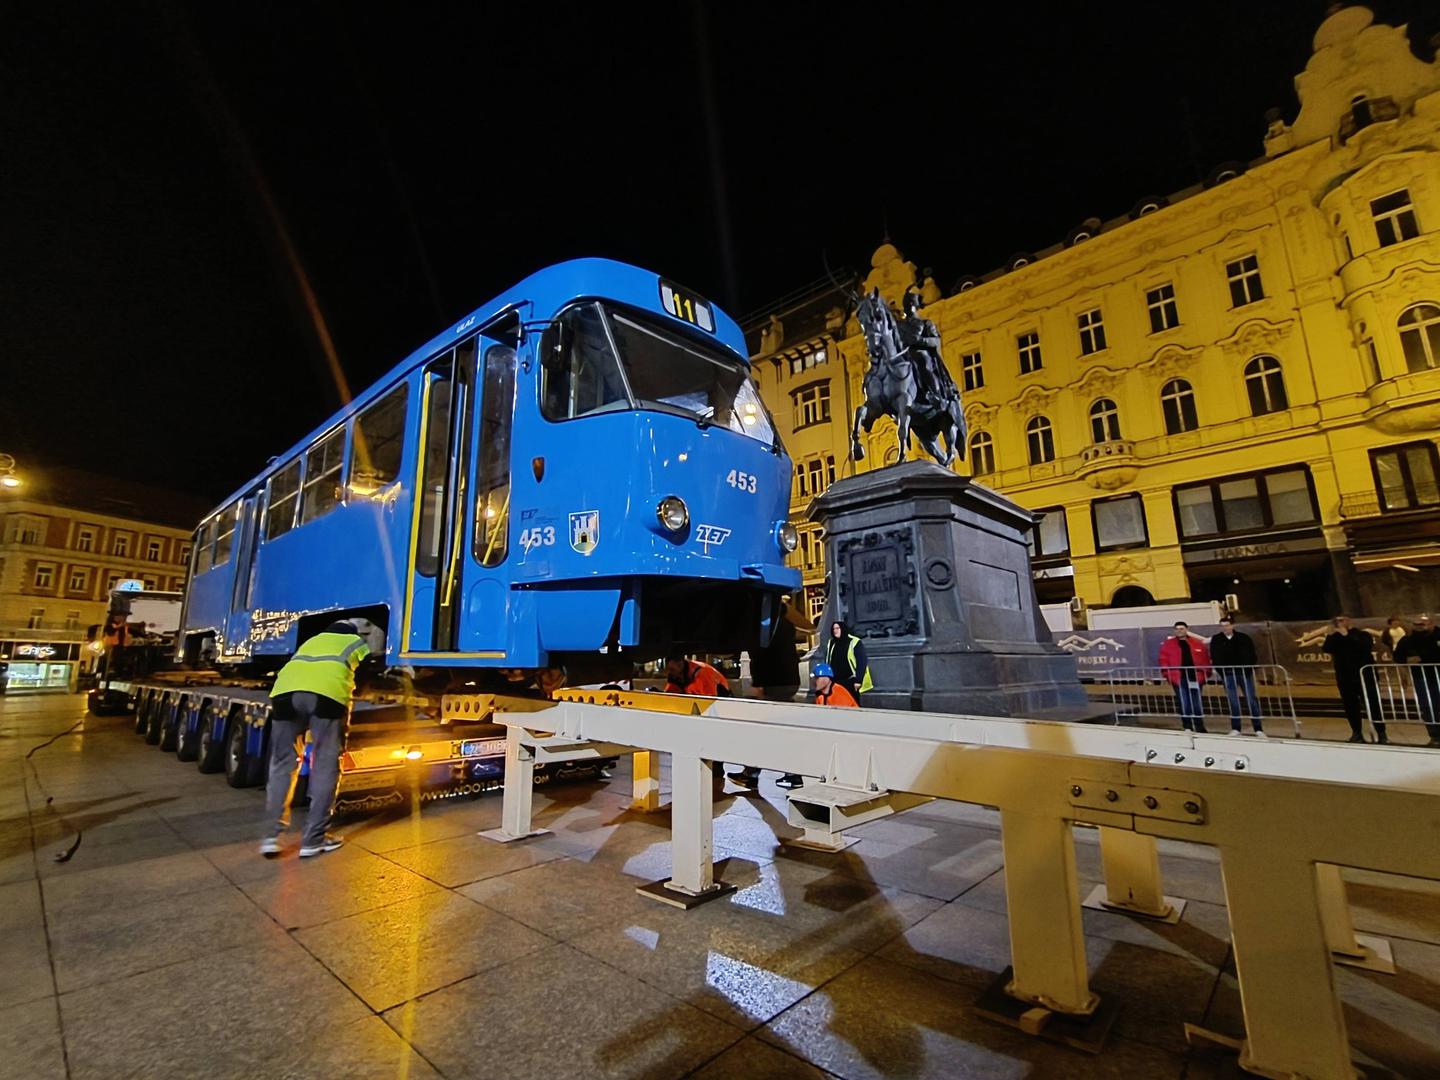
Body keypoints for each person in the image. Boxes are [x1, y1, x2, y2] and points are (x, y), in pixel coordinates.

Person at [260, 619, 374, 858]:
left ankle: (271, 838)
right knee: (324, 764)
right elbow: (367, 673)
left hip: (284, 695)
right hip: (326, 697)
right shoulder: (356, 642)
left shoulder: (310, 641)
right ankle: (313, 840)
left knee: (282, 764)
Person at [730, 599, 814, 788]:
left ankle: (766, 774)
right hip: (788, 682)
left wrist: (761, 686)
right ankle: (755, 773)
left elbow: (764, 656)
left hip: (774, 684)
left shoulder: (766, 629)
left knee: (767, 731)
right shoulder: (785, 625)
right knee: (773, 729)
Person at [776, 662, 856, 789]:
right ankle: (793, 775)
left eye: (817, 678)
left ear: (826, 678)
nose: (814, 682)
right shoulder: (821, 695)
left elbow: (843, 722)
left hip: (847, 737)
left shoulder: (839, 694)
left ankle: (796, 777)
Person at [1323, 614, 1380, 744]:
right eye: (1337, 621)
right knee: (1350, 705)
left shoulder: (1362, 634)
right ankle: (1356, 732)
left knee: (1372, 704)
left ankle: (1381, 732)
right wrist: (1331, 635)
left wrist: (1346, 635)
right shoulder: (1335, 637)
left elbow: (1364, 647)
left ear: (1349, 621)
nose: (1339, 623)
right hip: (1345, 677)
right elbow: (1327, 648)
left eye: (1342, 620)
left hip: (1364, 675)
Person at [1208, 616, 1264, 736]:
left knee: (1251, 700)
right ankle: (1236, 728)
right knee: (1233, 701)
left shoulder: (1244, 638)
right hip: (1228, 674)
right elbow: (1215, 656)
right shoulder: (1217, 639)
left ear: (1232, 625)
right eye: (1222, 626)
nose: (1225, 628)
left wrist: (1248, 669)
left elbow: (1252, 654)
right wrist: (1222, 672)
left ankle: (1258, 728)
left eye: (1227, 625)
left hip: (1245, 673)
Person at [1393, 614, 1440, 747]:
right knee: (1427, 706)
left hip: (1438, 675)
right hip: (1422, 678)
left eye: (1422, 624)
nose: (1419, 628)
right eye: (1416, 625)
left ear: (1431, 624)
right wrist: (1404, 674)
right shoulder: (1408, 640)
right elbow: (1398, 657)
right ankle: (1435, 735)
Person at [1158, 622, 1211, 733]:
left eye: (1181, 628)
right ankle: (1187, 726)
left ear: (1186, 629)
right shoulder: (1168, 645)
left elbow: (1205, 659)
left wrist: (1205, 674)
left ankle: (1199, 726)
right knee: (1184, 702)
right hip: (1179, 678)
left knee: (1197, 703)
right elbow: (1163, 660)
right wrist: (1168, 675)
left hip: (1195, 677)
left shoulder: (1197, 643)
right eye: (1177, 629)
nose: (1179, 631)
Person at [823, 620, 873, 704]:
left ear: (843, 629)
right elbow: (828, 660)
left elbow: (861, 662)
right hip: (835, 681)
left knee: (852, 703)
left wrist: (858, 680)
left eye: (837, 628)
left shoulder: (854, 641)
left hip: (850, 681)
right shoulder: (831, 643)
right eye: (833, 629)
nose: (835, 630)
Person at [663, 654, 732, 697]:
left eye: (671, 669)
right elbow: (671, 692)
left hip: (721, 705)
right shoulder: (676, 675)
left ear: (680, 665)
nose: (668, 672)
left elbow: (709, 701)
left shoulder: (703, 673)